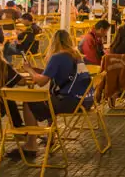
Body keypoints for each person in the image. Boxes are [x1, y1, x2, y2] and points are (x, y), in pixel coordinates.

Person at [20, 30, 93, 160]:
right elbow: (60, 74)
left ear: (53, 42)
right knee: (51, 97)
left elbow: (42, 82)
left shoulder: (57, 57)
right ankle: (50, 136)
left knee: (29, 103)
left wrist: (29, 70)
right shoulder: (76, 56)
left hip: (69, 101)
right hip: (85, 100)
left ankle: (31, 143)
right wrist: (38, 71)